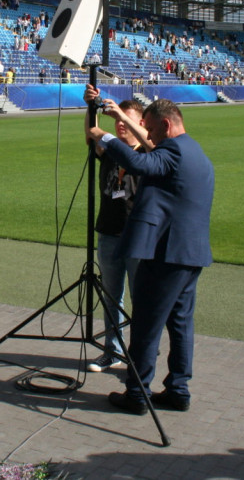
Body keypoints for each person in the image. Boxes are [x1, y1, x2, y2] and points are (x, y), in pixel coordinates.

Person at [86, 98, 214, 415]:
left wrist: (106, 137)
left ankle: (137, 394)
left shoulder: (172, 151)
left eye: (152, 130)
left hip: (167, 254)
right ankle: (178, 390)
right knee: (181, 324)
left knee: (146, 324)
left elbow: (142, 164)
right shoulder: (195, 151)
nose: (150, 137)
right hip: (191, 253)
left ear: (166, 125)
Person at [83, 86, 150, 373]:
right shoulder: (110, 148)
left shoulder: (148, 152)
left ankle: (140, 356)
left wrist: (122, 113)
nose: (120, 124)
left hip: (138, 238)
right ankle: (112, 351)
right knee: (111, 297)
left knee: (141, 300)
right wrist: (90, 108)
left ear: (140, 122)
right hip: (109, 233)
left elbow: (150, 142)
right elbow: (92, 135)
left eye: (126, 120)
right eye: (117, 121)